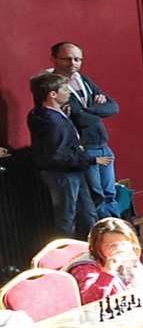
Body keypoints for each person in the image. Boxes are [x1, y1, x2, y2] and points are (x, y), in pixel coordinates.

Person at [51, 41, 120, 215]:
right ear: (54, 59)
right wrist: (94, 111)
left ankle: (119, 230)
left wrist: (88, 110)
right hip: (84, 149)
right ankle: (103, 235)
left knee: (110, 193)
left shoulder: (84, 80)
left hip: (103, 145)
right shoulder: (52, 86)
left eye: (77, 59)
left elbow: (113, 107)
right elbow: (79, 118)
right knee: (96, 197)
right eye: (67, 59)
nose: (72, 63)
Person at [26, 71, 96, 237]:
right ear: (52, 94)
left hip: (66, 172)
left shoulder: (40, 114)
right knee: (68, 217)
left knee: (82, 214)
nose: (69, 92)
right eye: (65, 89)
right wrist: (90, 159)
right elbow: (59, 154)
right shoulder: (54, 121)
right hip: (64, 173)